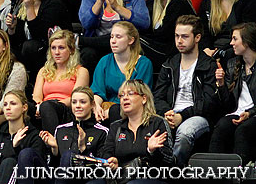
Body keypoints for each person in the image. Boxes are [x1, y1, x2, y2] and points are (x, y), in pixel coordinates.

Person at [153, 15, 218, 165]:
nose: (179, 41)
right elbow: (157, 96)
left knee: (184, 133)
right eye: (176, 36)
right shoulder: (169, 64)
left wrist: (182, 116)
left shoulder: (209, 65)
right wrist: (168, 113)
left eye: (184, 36)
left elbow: (208, 103)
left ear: (197, 38)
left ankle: (174, 169)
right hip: (170, 113)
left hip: (198, 116)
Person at [98, 79, 175, 173]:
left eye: (130, 94)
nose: (124, 98)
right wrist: (110, 161)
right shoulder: (116, 126)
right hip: (122, 177)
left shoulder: (158, 123)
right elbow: (107, 153)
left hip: (150, 177)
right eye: (122, 95)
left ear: (144, 99)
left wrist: (151, 151)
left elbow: (170, 160)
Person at [211, 22, 256, 162]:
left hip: (254, 113)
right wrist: (222, 84)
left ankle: (241, 175)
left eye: (235, 39)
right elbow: (228, 105)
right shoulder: (232, 64)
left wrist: (250, 113)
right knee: (221, 127)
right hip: (238, 113)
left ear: (247, 42)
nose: (231, 43)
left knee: (243, 131)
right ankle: (213, 173)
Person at [91, 22, 154, 123]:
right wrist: (97, 106)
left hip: (132, 109)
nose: (113, 41)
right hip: (106, 108)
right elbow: (97, 91)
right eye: (111, 37)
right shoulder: (104, 61)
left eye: (118, 37)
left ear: (131, 40)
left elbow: (138, 97)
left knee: (115, 112)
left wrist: (112, 112)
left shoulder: (144, 63)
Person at [33, 30, 90, 133]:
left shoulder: (81, 71)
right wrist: (39, 106)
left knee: (47, 107)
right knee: (22, 107)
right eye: (53, 48)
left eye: (61, 48)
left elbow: (75, 98)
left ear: (71, 50)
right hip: (43, 108)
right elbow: (36, 96)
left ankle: (54, 143)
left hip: (66, 109)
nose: (57, 52)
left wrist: (50, 106)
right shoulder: (44, 71)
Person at [39, 86, 109, 167]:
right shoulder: (60, 130)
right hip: (62, 176)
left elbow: (102, 166)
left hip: (88, 177)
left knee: (69, 155)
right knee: (27, 153)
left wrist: (83, 148)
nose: (77, 106)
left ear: (92, 104)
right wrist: (54, 149)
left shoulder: (102, 131)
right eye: (74, 102)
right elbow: (53, 167)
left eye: (82, 102)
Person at [143, 0, 195, 71]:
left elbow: (163, 35)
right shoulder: (156, 4)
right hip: (165, 51)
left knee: (133, 41)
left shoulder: (178, 3)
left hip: (177, 54)